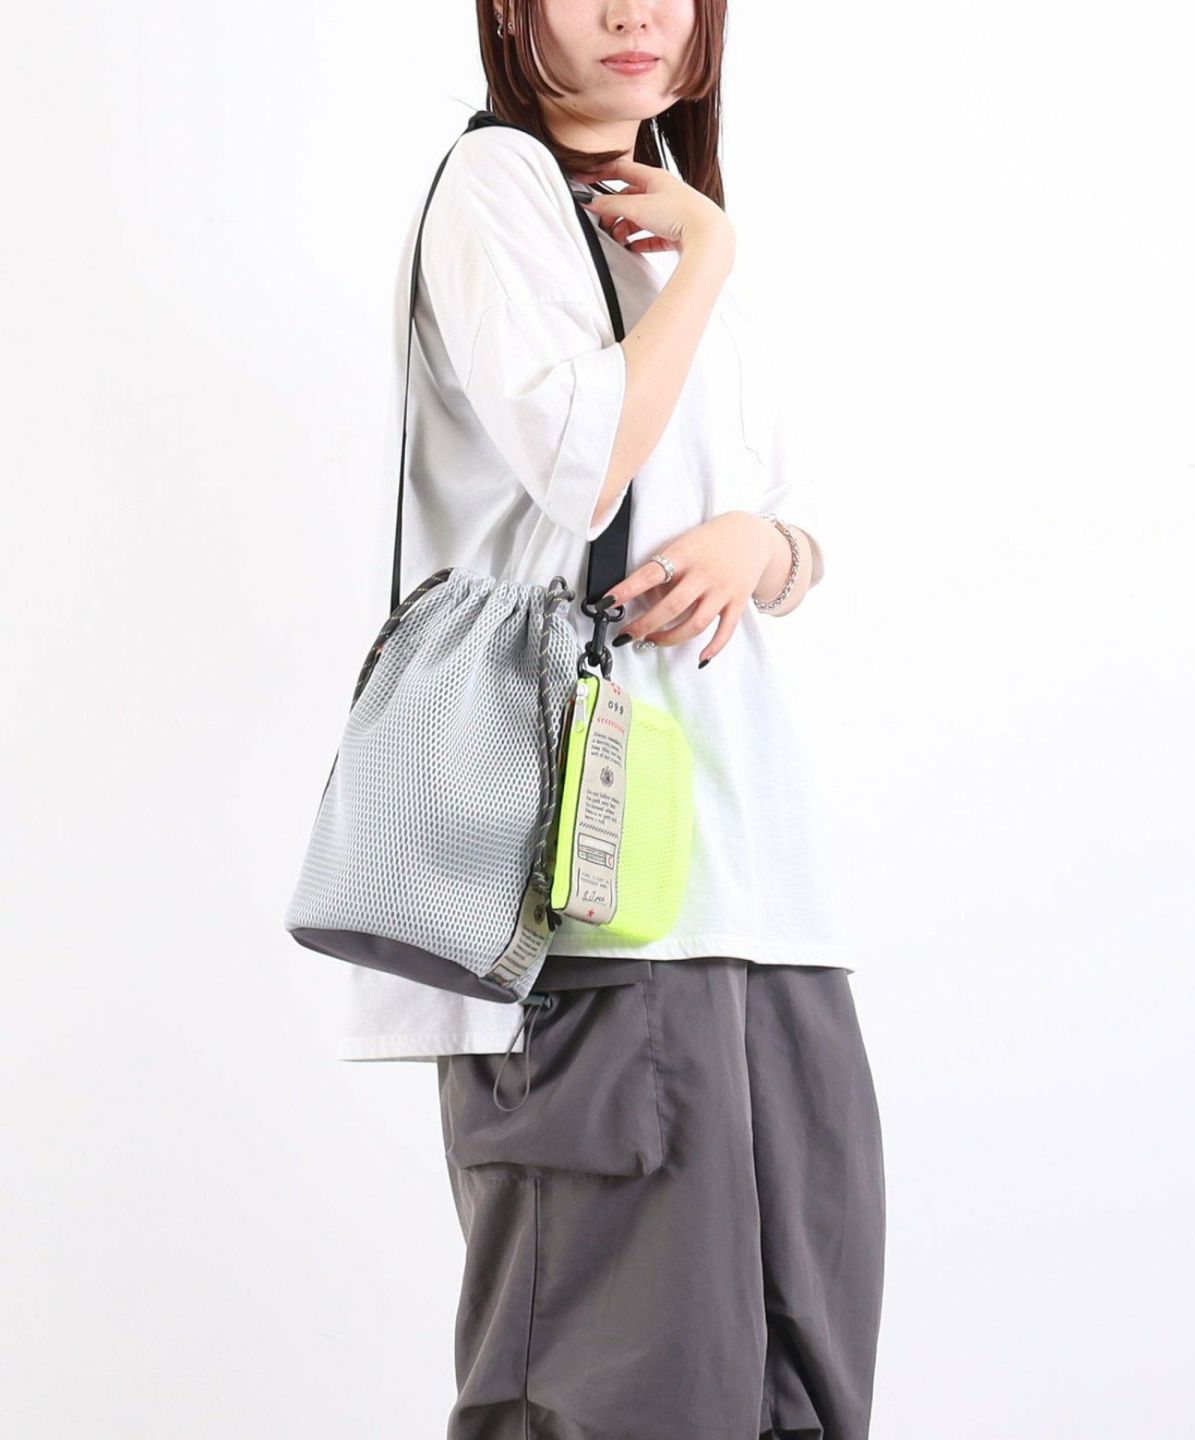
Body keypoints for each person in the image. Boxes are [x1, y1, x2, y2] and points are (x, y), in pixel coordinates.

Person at [338, 3, 886, 1436]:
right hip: (583, 905)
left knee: (798, 1380)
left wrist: (762, 545)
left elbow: (794, 517)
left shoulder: (678, 222)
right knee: (616, 1381)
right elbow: (584, 466)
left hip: (758, 889)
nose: (637, 13)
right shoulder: (501, 187)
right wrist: (708, 260)